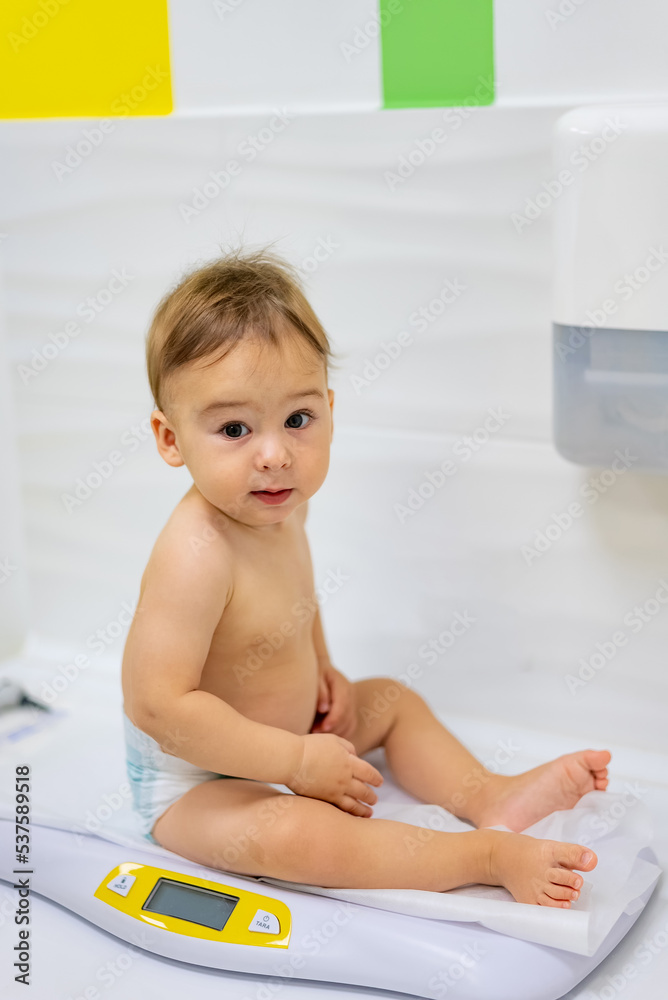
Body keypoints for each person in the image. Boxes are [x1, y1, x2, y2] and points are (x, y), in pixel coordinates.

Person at [121, 244, 611, 906]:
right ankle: (483, 855)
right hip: (199, 783)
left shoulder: (281, 507)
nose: (275, 455)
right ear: (170, 439)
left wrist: (324, 671)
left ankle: (491, 795)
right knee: (291, 834)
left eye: (298, 419)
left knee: (393, 702)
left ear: (328, 406)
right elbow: (158, 705)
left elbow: (297, 596)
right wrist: (292, 765)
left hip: (299, 737)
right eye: (234, 428)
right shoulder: (195, 552)